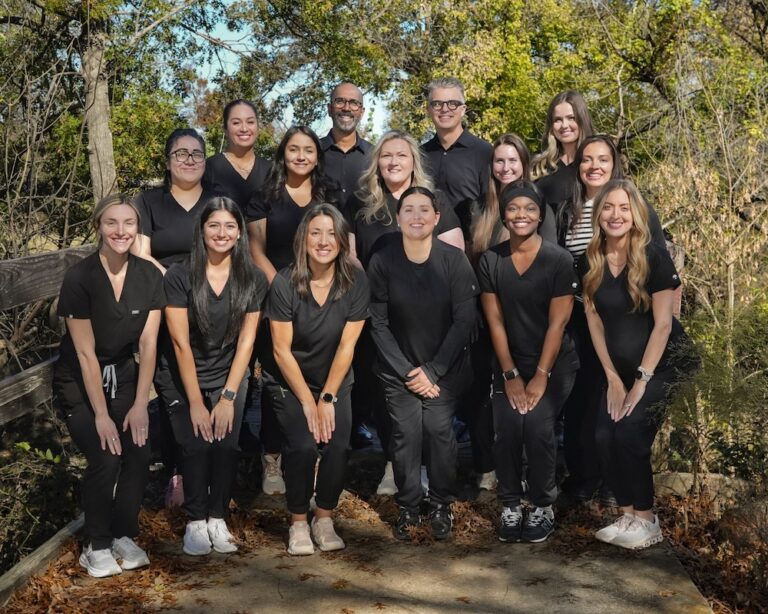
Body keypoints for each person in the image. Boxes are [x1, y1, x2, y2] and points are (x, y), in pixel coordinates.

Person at [345, 129, 464, 492]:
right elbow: (350, 256)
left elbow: (454, 253)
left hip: (429, 320)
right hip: (378, 315)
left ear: (414, 161)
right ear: (376, 162)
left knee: (428, 393)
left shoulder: (433, 199)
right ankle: (393, 465)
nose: (393, 161)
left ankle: (424, 467)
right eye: (386, 155)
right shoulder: (360, 202)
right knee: (385, 394)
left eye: (401, 155)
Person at [580, 178, 695, 549]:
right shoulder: (589, 260)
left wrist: (641, 381)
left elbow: (664, 325)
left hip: (664, 365)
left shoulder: (653, 257)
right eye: (608, 207)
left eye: (624, 208)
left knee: (630, 433)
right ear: (599, 214)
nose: (616, 215)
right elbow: (594, 322)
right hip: (621, 369)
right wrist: (613, 378)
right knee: (603, 435)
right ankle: (628, 515)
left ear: (636, 215)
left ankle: (647, 520)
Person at [53, 194, 164, 577]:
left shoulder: (149, 276)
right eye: (111, 223)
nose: (120, 231)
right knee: (105, 454)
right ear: (98, 227)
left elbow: (148, 344)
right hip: (81, 380)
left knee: (138, 448)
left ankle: (123, 534)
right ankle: (96, 544)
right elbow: (85, 355)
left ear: (138, 229)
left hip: (124, 376)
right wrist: (101, 415)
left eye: (128, 223)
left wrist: (140, 403)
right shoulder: (80, 278)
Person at [556, 135, 666, 504]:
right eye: (587, 160)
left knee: (621, 404)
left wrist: (664, 330)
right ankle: (584, 477)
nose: (594, 166)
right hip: (585, 318)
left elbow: (662, 272)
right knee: (584, 399)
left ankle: (614, 485)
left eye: (602, 159)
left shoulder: (633, 205)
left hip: (630, 324)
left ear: (613, 163)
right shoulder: (568, 210)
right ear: (578, 166)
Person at [156, 197, 267, 556]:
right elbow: (179, 343)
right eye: (214, 225)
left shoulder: (252, 278)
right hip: (180, 373)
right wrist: (195, 403)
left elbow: (247, 341)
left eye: (230, 226)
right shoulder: (179, 275)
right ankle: (195, 520)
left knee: (226, 443)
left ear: (240, 233)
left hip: (228, 372)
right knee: (195, 444)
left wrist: (228, 397)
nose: (222, 233)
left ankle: (217, 517)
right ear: (202, 231)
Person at [368, 186, 478, 541]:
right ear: (398, 218)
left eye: (424, 210)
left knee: (437, 428)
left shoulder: (454, 260)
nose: (416, 216)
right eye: (409, 210)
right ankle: (409, 506)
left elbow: (465, 321)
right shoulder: (383, 260)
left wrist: (433, 371)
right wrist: (407, 372)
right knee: (406, 432)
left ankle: (442, 503)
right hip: (397, 369)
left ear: (436, 217)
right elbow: (378, 324)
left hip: (446, 368)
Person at [263, 204, 368, 555]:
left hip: (334, 380)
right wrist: (308, 403)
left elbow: (347, 346)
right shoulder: (284, 282)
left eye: (331, 234)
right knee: (303, 446)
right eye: (315, 233)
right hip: (290, 380)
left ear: (342, 241)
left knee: (338, 445)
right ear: (303, 239)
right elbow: (281, 350)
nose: (323, 241)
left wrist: (327, 398)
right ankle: (297, 521)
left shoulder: (355, 281)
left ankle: (323, 518)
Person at [478, 182, 579, 543]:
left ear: (540, 216)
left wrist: (540, 376)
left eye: (530, 209)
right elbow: (495, 321)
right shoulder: (491, 260)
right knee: (507, 426)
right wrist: (510, 374)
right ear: (503, 216)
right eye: (513, 208)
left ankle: (542, 504)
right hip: (509, 361)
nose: (521, 215)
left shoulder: (559, 260)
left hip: (553, 363)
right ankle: (510, 504)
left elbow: (558, 324)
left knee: (536, 426)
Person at [246, 125, 336, 495]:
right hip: (278, 296)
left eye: (308, 150)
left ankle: (316, 458)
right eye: (294, 149)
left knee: (321, 376)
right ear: (283, 154)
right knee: (277, 377)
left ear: (317, 156)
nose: (301, 156)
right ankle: (272, 459)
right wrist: (283, 288)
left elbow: (339, 243)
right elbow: (255, 249)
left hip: (324, 299)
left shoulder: (329, 193)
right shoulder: (265, 195)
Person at [133, 128, 218, 273]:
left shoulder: (220, 202)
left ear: (204, 162)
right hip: (161, 281)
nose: (190, 161)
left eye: (197, 154)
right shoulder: (147, 201)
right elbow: (140, 254)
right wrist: (172, 281)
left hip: (212, 282)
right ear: (167, 162)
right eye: (181, 154)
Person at [422, 77, 492, 238]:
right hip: (426, 247)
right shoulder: (419, 155)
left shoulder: (484, 152)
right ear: (429, 110)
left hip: (472, 246)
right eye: (437, 104)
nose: (444, 109)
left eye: (452, 103)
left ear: (463, 109)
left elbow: (491, 207)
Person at [532, 90, 595, 212]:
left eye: (571, 118)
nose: (564, 125)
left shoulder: (597, 167)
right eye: (558, 120)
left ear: (582, 120)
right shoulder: (539, 166)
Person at [204, 99, 270, 212]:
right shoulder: (209, 168)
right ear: (225, 129)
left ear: (258, 127)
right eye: (236, 123)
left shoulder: (271, 170)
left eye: (250, 122)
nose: (244, 129)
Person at [320, 83, 372, 209]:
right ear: (329, 109)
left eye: (354, 103)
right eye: (340, 101)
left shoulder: (375, 155)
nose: (346, 108)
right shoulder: (313, 152)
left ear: (361, 112)